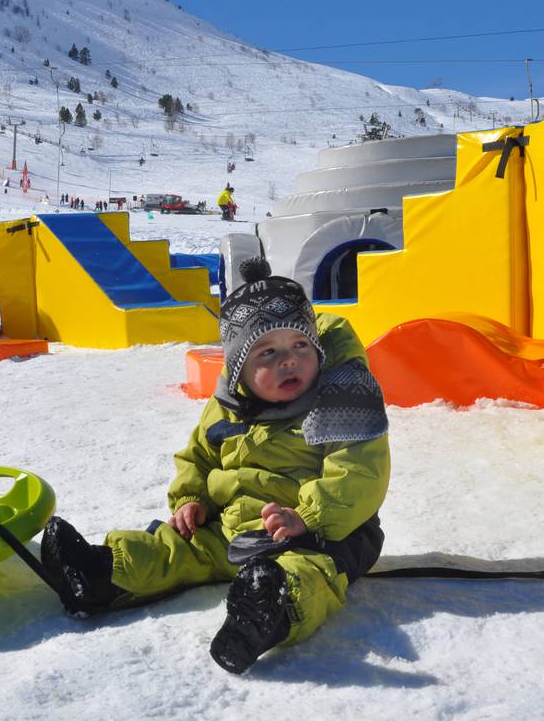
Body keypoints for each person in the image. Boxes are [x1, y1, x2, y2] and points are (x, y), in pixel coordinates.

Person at [37, 257, 390, 674]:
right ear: (239, 366)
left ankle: (269, 612)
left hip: (321, 533)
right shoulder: (228, 406)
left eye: (300, 346)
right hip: (232, 528)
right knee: (178, 548)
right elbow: (199, 456)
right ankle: (99, 573)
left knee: (306, 573)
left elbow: (360, 469)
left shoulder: (339, 395)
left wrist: (309, 517)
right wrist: (192, 496)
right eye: (268, 352)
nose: (289, 361)